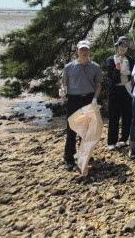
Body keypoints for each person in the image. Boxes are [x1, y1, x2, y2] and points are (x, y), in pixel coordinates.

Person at [60, 40, 102, 171]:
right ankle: (68, 157)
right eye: (81, 49)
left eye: (86, 49)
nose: (84, 52)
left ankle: (84, 154)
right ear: (77, 51)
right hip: (73, 100)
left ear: (90, 51)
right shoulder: (68, 67)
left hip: (89, 100)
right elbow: (63, 83)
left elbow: (98, 85)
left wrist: (95, 99)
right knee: (71, 129)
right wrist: (62, 91)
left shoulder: (95, 67)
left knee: (87, 130)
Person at [105, 36, 135, 151]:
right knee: (114, 116)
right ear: (117, 46)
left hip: (127, 89)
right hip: (114, 91)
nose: (123, 48)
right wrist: (117, 69)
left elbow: (133, 75)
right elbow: (112, 79)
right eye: (121, 45)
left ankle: (123, 139)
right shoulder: (110, 60)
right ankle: (112, 141)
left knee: (127, 115)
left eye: (126, 46)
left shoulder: (130, 60)